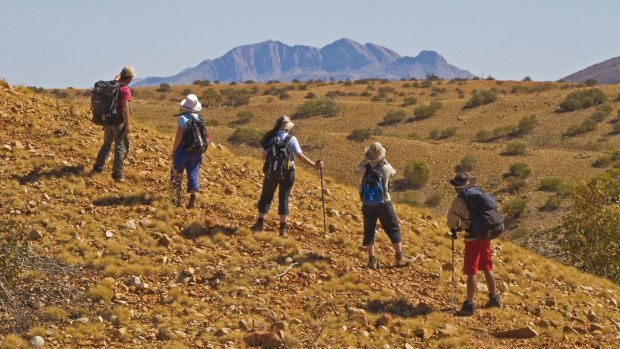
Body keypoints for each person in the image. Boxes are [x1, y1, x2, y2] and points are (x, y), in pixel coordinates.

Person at [251, 116, 323, 237]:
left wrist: (273, 163)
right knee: (283, 197)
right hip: (288, 172)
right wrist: (315, 166)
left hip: (271, 172)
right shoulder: (291, 139)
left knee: (266, 196)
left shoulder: (270, 137)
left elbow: (263, 156)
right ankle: (282, 229)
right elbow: (300, 157)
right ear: (287, 127)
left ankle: (259, 223)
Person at [447, 172, 504, 316]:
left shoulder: (460, 200)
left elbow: (451, 221)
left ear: (457, 187)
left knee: (471, 271)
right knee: (486, 266)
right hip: (486, 234)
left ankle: (469, 304)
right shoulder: (478, 192)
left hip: (473, 237)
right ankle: (494, 297)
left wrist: (454, 228)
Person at [355, 142, 415, 269]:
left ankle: (372, 260)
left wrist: (366, 160)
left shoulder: (363, 169)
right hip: (383, 202)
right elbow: (393, 171)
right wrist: (381, 158)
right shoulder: (386, 168)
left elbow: (357, 171)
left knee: (369, 230)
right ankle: (399, 257)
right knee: (393, 228)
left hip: (367, 203)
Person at [92, 66, 135, 182]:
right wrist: (127, 124)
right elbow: (125, 108)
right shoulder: (125, 89)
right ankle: (118, 174)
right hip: (118, 122)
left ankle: (97, 168)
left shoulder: (112, 86)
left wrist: (116, 79)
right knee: (121, 148)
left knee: (106, 145)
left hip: (107, 120)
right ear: (130, 78)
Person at [170, 94, 208, 209]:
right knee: (193, 173)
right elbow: (206, 136)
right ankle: (193, 195)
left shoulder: (183, 118)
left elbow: (179, 136)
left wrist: (174, 150)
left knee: (176, 173)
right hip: (197, 151)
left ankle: (175, 199)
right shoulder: (200, 118)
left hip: (183, 150)